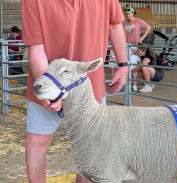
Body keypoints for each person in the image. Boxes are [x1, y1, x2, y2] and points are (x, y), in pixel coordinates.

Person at [22, 1, 128, 183]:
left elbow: (115, 24)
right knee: (37, 142)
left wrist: (123, 64)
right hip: (47, 82)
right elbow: (36, 48)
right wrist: (49, 92)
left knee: (91, 145)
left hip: (89, 86)